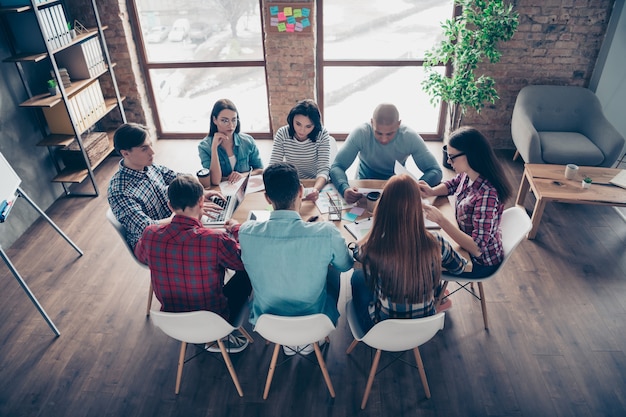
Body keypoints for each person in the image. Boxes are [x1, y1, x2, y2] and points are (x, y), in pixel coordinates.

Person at [237, 162, 354, 355]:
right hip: (316, 321)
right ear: (301, 191)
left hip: (268, 322)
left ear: (267, 198)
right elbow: (346, 265)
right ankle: (309, 339)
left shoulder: (246, 232)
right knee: (332, 269)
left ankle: (288, 340)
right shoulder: (325, 232)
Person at [134, 175, 252, 352]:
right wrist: (236, 231)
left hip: (173, 321)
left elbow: (142, 257)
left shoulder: (150, 234)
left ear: (170, 206)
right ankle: (220, 338)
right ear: (201, 201)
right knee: (248, 273)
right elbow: (244, 263)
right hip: (214, 320)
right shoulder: (215, 239)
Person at [350, 174, 467, 332]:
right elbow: (459, 268)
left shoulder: (372, 247)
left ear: (382, 207)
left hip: (383, 329)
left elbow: (357, 251)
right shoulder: (436, 242)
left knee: (357, 277)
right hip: (425, 327)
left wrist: (375, 227)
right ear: (418, 208)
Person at [108, 123, 223, 250]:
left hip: (175, 223)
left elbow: (179, 177)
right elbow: (146, 228)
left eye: (150, 145)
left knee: (218, 229)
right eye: (144, 148)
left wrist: (200, 192)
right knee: (214, 243)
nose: (152, 152)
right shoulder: (119, 191)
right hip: (152, 243)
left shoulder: (149, 166)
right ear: (125, 153)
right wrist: (181, 216)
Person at [418, 126, 513, 278]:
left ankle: (435, 295)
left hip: (478, 263)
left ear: (469, 155)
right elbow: (453, 184)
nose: (448, 161)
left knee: (419, 258)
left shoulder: (487, 195)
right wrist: (432, 191)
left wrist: (441, 220)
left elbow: (477, 249)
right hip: (463, 242)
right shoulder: (469, 174)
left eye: (452, 156)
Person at [330, 103, 442, 203]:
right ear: (372, 122)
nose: (384, 139)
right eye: (378, 133)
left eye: (389, 134)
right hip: (365, 187)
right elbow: (337, 167)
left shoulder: (409, 137)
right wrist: (344, 188)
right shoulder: (361, 133)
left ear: (399, 124)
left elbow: (435, 171)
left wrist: (415, 188)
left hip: (397, 190)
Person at [269, 99, 331, 202]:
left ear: (315, 125)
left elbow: (323, 169)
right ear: (291, 119)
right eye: (298, 124)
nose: (302, 130)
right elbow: (273, 166)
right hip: (291, 182)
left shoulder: (322, 134)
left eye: (308, 126)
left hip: (315, 182)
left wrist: (315, 189)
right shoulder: (282, 133)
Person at [198, 99, 264, 186]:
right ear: (214, 120)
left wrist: (242, 175)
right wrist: (214, 148)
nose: (231, 125)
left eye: (233, 120)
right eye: (224, 120)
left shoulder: (248, 141)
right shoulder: (204, 147)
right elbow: (215, 180)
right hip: (220, 192)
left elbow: (259, 169)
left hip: (244, 190)